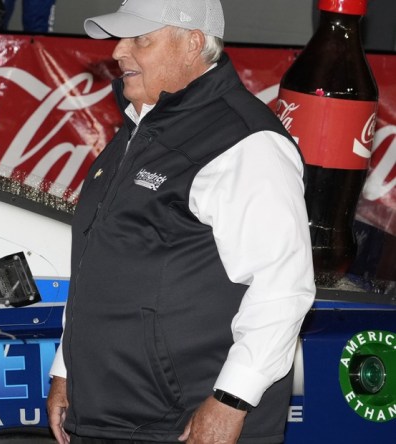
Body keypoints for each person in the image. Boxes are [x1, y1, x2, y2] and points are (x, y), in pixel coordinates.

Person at [46, 1, 315, 443]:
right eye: (121, 37)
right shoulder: (141, 127)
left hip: (185, 423)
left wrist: (231, 402)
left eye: (140, 39)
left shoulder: (245, 141)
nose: (118, 52)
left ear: (193, 44)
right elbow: (103, 264)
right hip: (113, 417)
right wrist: (68, 369)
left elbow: (283, 287)